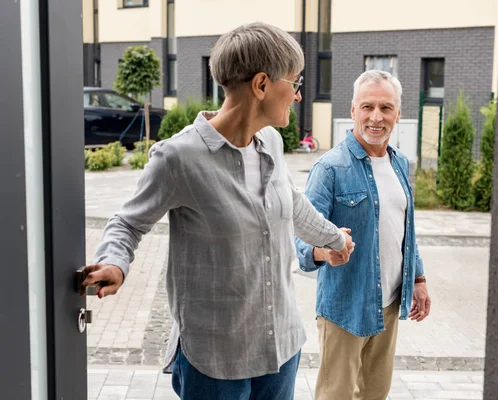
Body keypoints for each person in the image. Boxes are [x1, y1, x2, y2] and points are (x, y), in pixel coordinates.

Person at [80, 22, 355, 400]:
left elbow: (291, 202)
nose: (297, 95)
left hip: (281, 345)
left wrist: (335, 239)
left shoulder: (272, 142)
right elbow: (127, 223)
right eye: (294, 82)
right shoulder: (178, 157)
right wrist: (115, 262)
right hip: (215, 359)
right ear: (261, 85)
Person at [294, 70, 431, 400]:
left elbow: (404, 230)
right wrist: (324, 252)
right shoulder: (330, 168)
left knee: (374, 395)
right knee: (335, 396)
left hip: (388, 304)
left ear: (398, 114)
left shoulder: (400, 164)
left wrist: (419, 278)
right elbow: (300, 240)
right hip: (345, 308)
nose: (376, 117)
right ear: (353, 110)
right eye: (367, 106)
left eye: (385, 108)